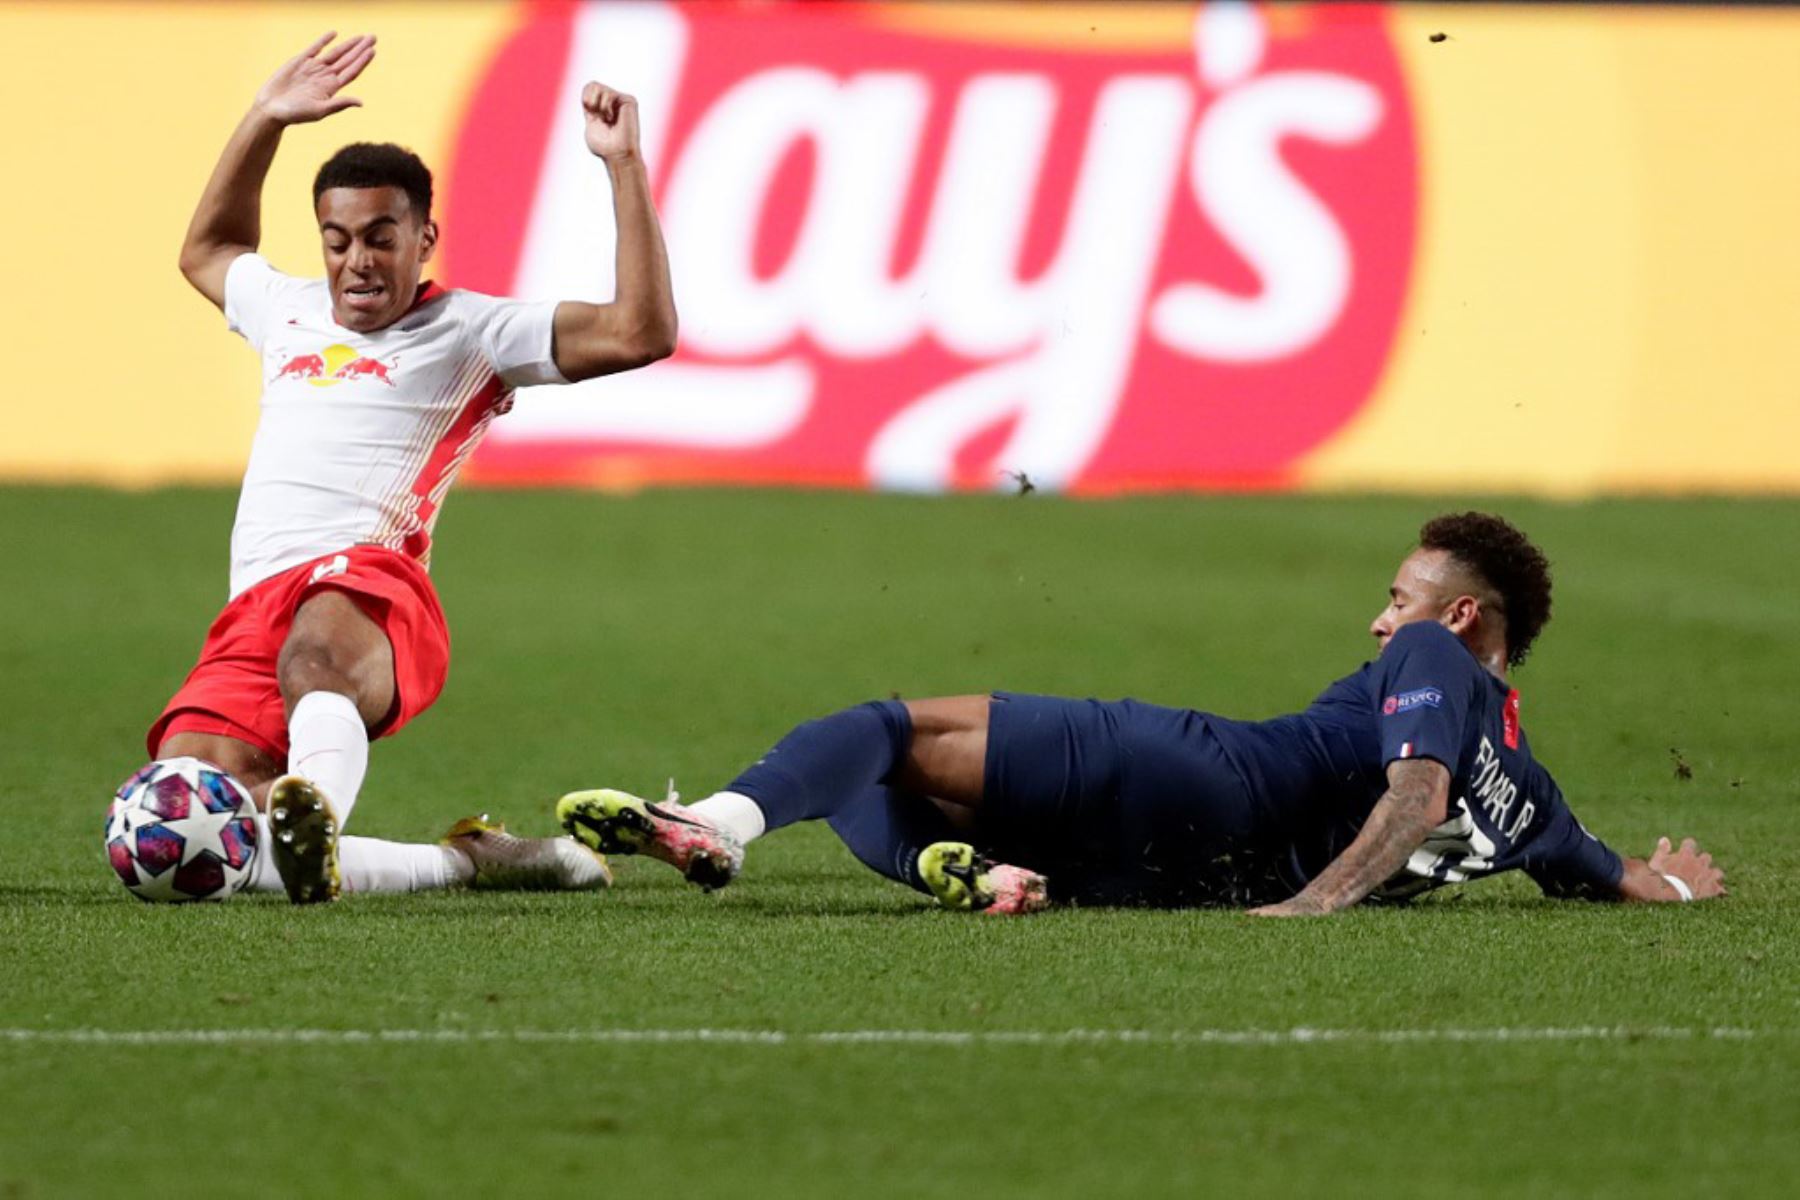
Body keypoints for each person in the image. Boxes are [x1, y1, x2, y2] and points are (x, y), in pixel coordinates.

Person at [558, 512, 1726, 915]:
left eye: (1401, 598)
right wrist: (1670, 880)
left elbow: (1413, 791)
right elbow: (1602, 874)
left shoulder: (1434, 654)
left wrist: (1314, 908)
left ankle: (716, 821)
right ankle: (972, 875)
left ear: (1464, 618)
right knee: (876, 782)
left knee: (885, 730)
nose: (1384, 622)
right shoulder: (1532, 797)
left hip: (1205, 772)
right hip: (1181, 871)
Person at [138, 31, 677, 902]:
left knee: (315, 656)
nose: (357, 260)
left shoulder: (472, 330)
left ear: (425, 236)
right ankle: (467, 862)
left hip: (370, 588)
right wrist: (266, 118)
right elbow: (207, 250)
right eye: (338, 238)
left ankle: (311, 802)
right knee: (192, 822)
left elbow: (640, 332)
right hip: (252, 608)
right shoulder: (288, 309)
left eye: (382, 237)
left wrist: (624, 167)